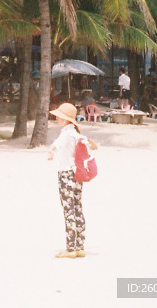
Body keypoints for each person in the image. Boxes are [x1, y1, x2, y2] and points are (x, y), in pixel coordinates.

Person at [47, 102, 86, 259]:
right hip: (77, 175)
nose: (57, 118)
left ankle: (70, 248)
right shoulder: (77, 134)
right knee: (77, 207)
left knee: (68, 209)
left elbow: (56, 145)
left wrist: (51, 151)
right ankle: (80, 246)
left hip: (65, 174)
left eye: (59, 116)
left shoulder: (66, 134)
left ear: (65, 119)